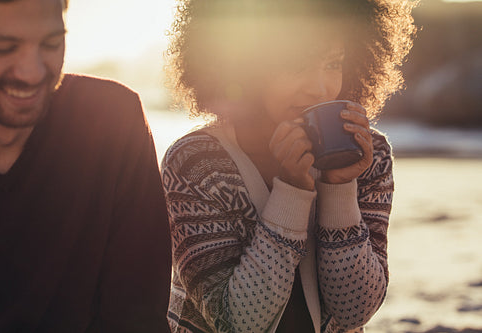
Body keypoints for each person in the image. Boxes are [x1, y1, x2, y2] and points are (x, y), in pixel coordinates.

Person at [161, 0, 417, 332]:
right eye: (296, 65)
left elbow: (355, 311)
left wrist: (339, 189)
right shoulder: (195, 164)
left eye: (332, 63)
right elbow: (238, 323)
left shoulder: (369, 156)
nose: (320, 87)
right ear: (244, 65)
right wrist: (292, 192)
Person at [0, 0, 171, 332]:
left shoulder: (111, 121)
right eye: (3, 48)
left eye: (52, 44)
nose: (33, 72)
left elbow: (137, 316)